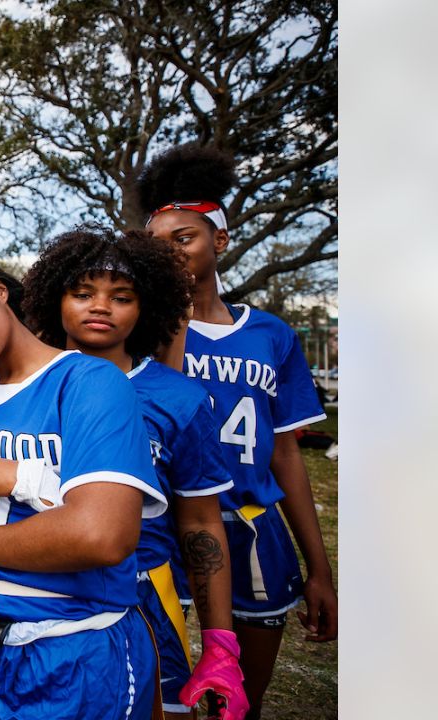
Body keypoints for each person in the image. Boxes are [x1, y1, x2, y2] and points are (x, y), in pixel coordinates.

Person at [0, 256, 165, 720]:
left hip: (71, 649)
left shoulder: (88, 381)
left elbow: (99, 535)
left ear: (0, 291)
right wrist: (22, 476)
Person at [138, 144, 337, 718]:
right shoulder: (140, 330)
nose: (171, 252)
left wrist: (319, 569)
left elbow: (286, 455)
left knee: (241, 695)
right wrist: (169, 318)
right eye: (157, 245)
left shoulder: (270, 334)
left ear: (218, 241)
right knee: (163, 690)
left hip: (249, 520)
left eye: (185, 238)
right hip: (170, 521)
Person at [21, 227, 247, 719]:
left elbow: (202, 523)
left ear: (148, 307)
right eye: (83, 293)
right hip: (32, 588)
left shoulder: (178, 399)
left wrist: (220, 643)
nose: (100, 306)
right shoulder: (16, 387)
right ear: (54, 299)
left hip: (143, 596)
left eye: (121, 296)